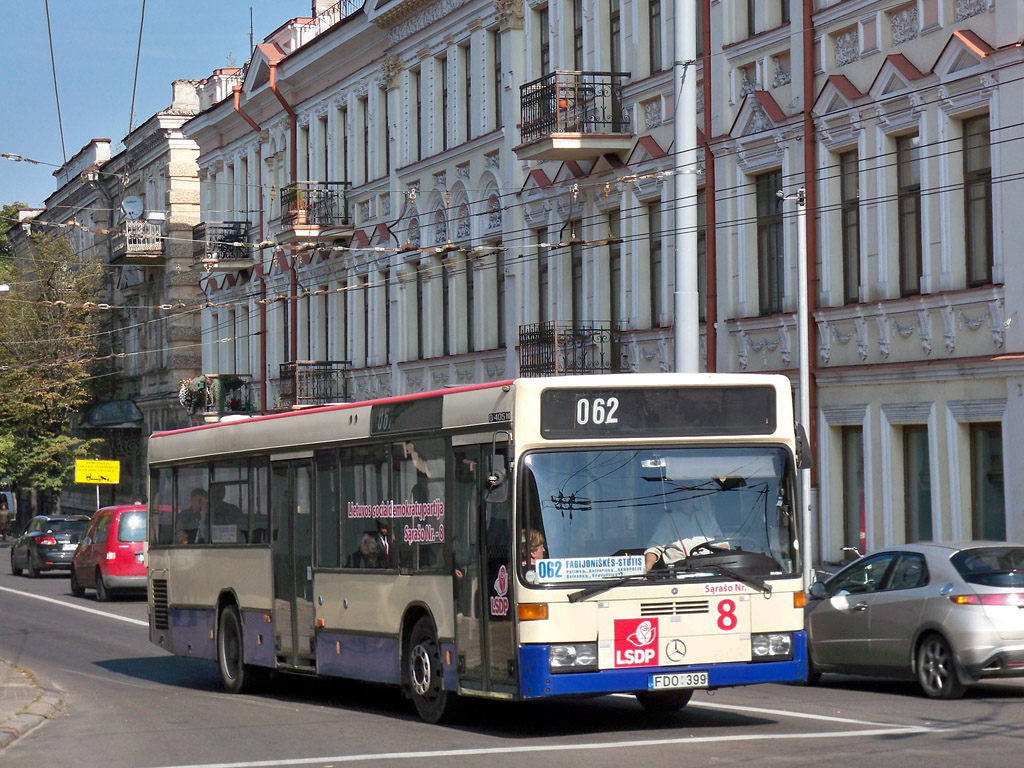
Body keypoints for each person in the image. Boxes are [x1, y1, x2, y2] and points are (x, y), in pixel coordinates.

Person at [644, 495, 725, 571]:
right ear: (676, 497)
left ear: (694, 495)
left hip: (710, 567)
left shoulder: (706, 517)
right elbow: (654, 547)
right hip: (682, 569)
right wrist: (645, 571)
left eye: (688, 491)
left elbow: (720, 542)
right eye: (681, 492)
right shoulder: (667, 519)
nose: (685, 496)